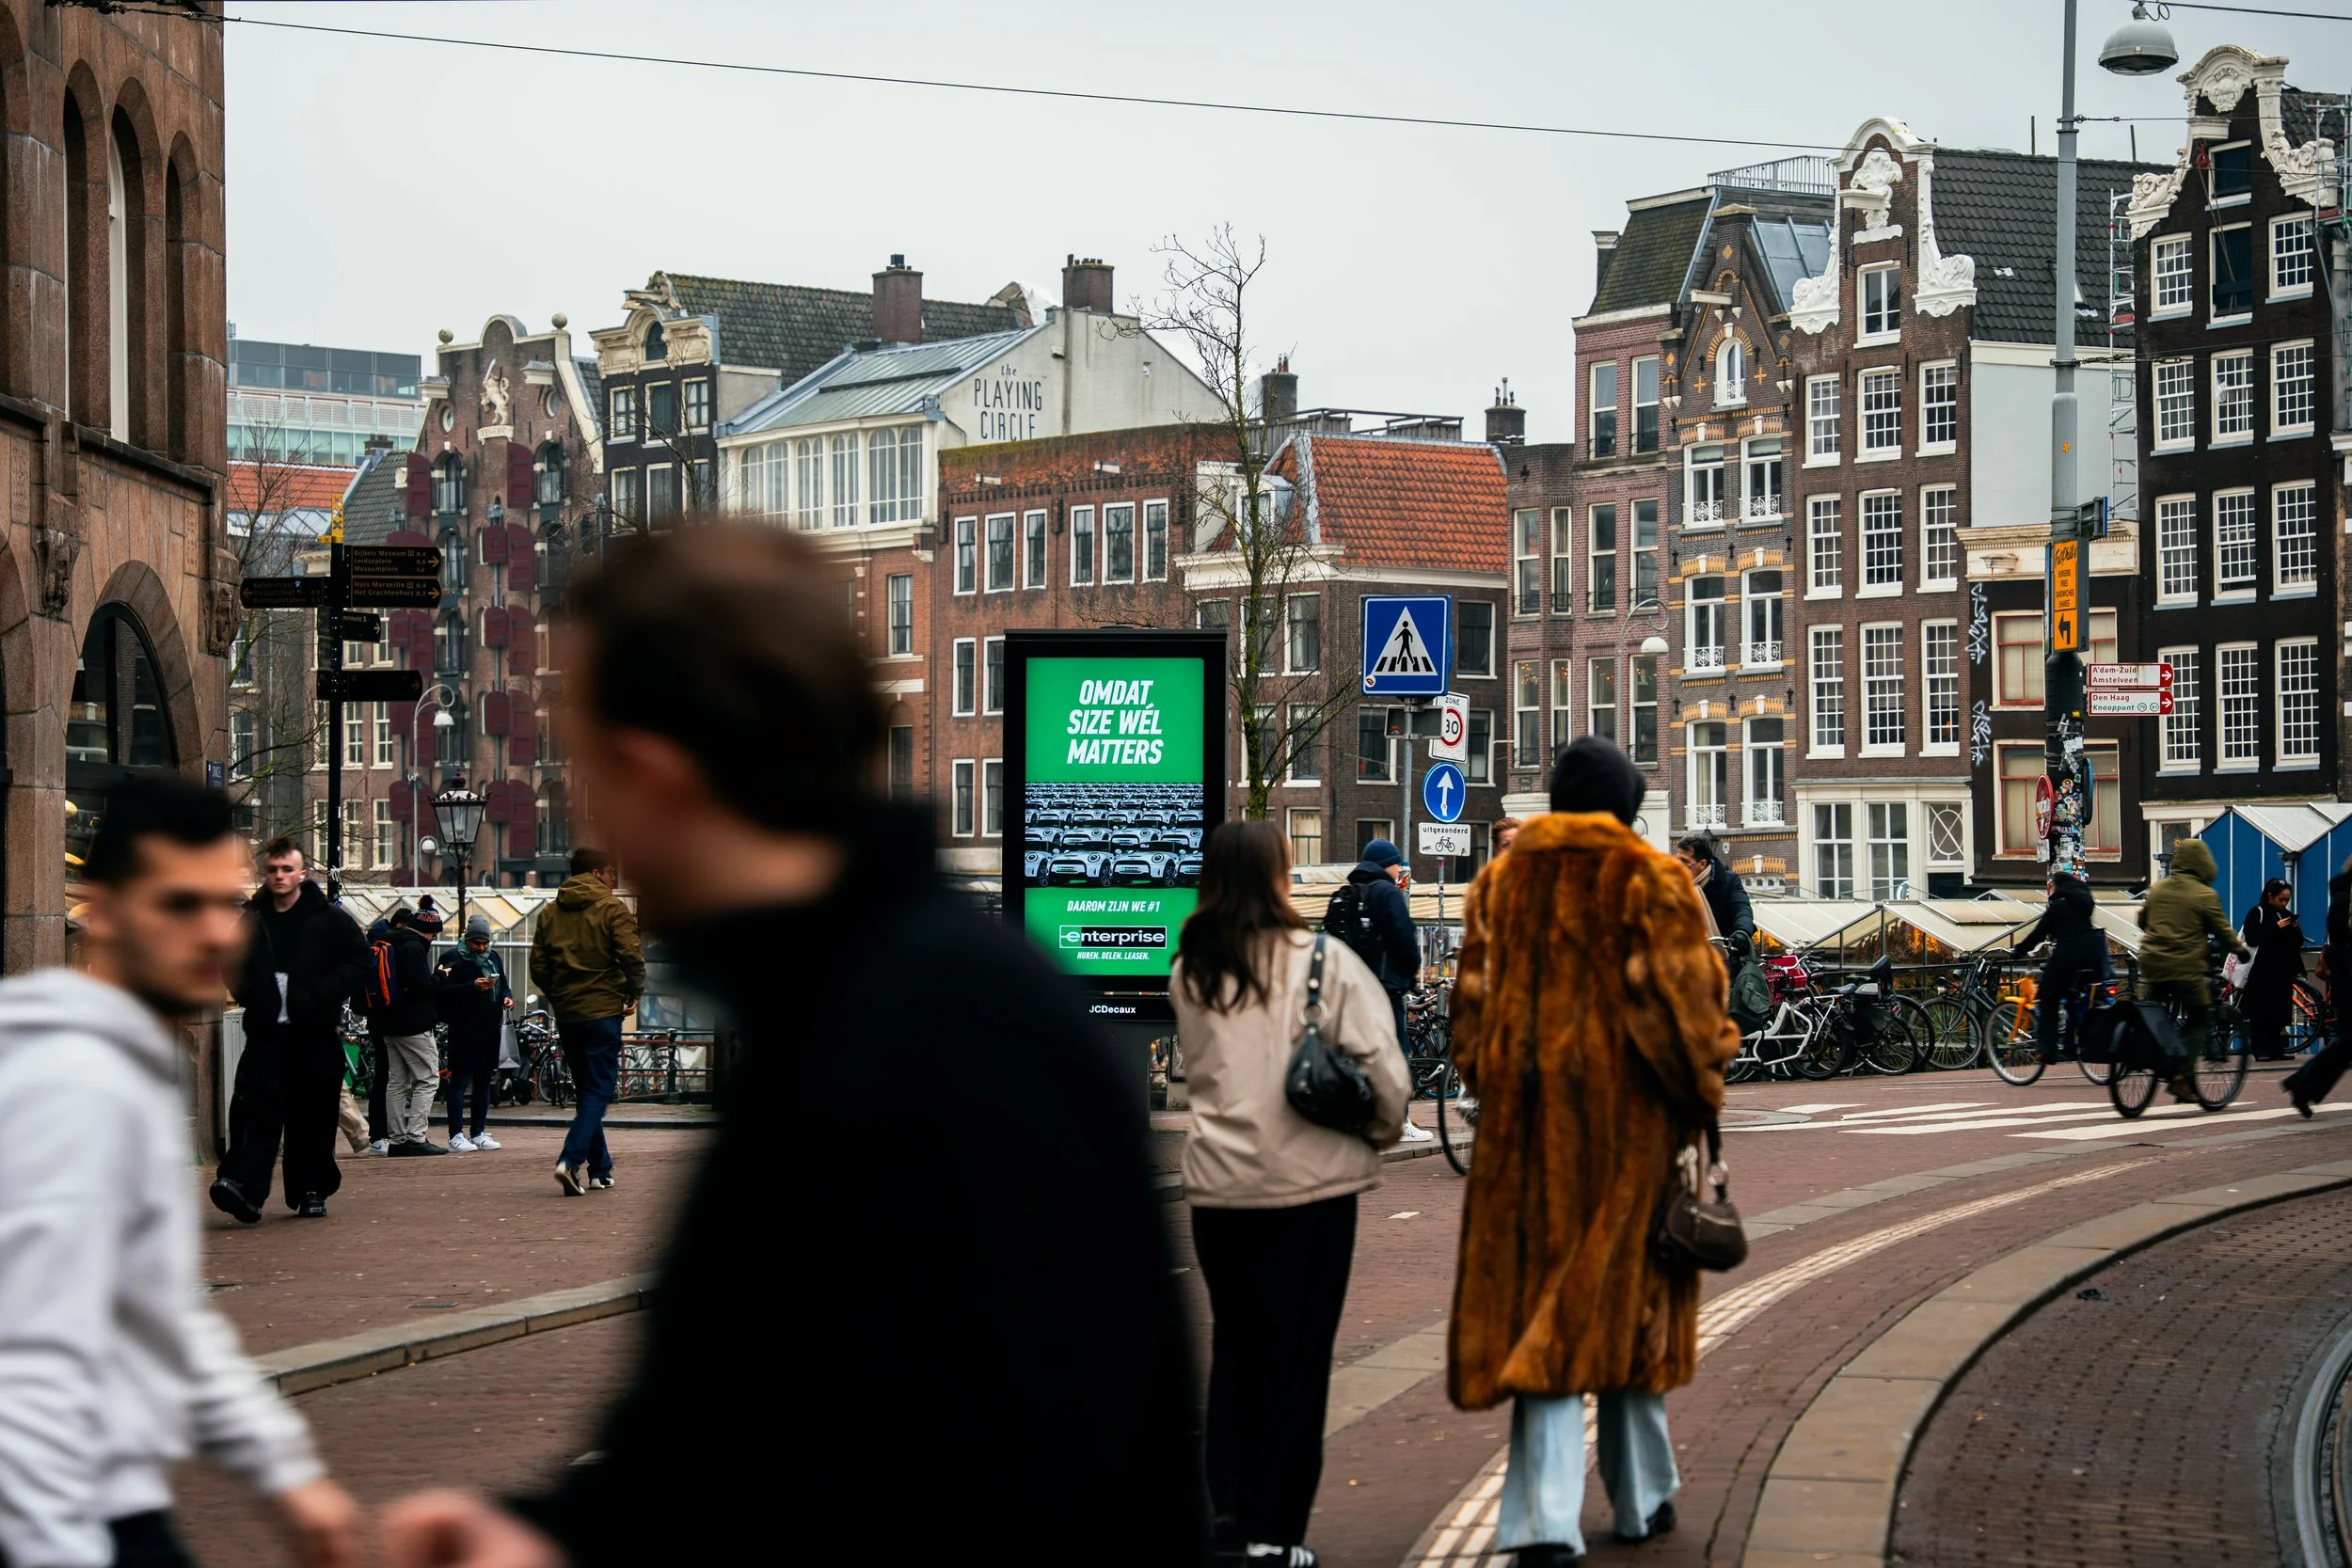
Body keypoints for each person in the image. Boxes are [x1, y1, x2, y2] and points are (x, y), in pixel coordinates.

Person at [383, 522, 1201, 1567]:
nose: (590, 806)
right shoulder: (864, 1003)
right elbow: (754, 1452)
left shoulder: (917, 1045)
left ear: (654, 775)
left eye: (585, 767)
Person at [0, 774, 362, 1568]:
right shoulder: (53, 1077)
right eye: (177, 904)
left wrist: (284, 1472)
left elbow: (153, 1310)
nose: (212, 932)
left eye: (214, 902)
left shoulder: (127, 1070)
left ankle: (294, 1181)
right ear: (103, 906)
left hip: (114, 1500)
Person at [1447, 736, 1740, 1566]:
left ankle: (1543, 1517)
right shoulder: (1653, 882)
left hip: (1523, 1139)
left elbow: (1468, 1028)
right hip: (1627, 1137)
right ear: (1626, 805)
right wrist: (1702, 1083)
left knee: (1542, 1306)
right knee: (1630, 1308)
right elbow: (1683, 1019)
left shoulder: (1500, 884)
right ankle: (1644, 1495)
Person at [1174, 819, 1409, 1568]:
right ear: (1281, 876)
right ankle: (1277, 1530)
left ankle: (1230, 1517)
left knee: (1237, 1352)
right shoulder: (1324, 962)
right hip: (1310, 1189)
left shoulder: (1191, 969)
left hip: (1219, 1192)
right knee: (1298, 1359)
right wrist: (1371, 1133)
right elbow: (1388, 1079)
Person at [212, 838, 367, 1223]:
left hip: (313, 1031)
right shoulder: (252, 917)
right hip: (266, 1030)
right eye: (272, 870)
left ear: (301, 873)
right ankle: (243, 1187)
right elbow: (230, 960)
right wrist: (249, 993)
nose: (279, 877)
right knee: (253, 1109)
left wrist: (324, 992)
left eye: (286, 869)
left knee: (312, 1113)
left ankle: (310, 1189)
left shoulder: (328, 919)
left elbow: (359, 959)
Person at [530, 847, 643, 1195]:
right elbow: (631, 955)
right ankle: (570, 1160)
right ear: (596, 873)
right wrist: (632, 990)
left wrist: (561, 995)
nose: (613, 880)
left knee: (586, 1093)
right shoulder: (611, 909)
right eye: (610, 873)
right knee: (598, 1091)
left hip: (569, 1014)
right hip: (603, 1010)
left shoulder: (550, 913)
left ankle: (600, 1169)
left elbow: (538, 966)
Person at [1327, 838, 1430, 1143]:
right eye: (1397, 863)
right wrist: (1411, 972)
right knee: (1397, 1054)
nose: (1400, 869)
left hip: (1354, 988)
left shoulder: (1348, 893)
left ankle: (1357, 1118)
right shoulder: (1387, 893)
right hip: (1386, 988)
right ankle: (1399, 1121)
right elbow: (1406, 938)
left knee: (1358, 1052)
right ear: (1388, 864)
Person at [2136, 837, 2249, 1101]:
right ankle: (2181, 1077)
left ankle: (2154, 1054)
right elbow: (2223, 931)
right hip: (2185, 967)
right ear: (2204, 864)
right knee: (2199, 1017)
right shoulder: (2205, 894)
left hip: (2151, 962)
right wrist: (2240, 951)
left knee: (2157, 1013)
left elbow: (2143, 921)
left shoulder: (2160, 888)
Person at [369, 909, 447, 1157]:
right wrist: (439, 976)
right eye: (434, 935)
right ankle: (416, 1137)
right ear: (431, 932)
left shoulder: (389, 941)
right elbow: (421, 987)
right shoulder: (413, 948)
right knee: (428, 1078)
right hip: (413, 1024)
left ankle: (397, 1139)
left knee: (397, 1081)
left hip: (387, 1022)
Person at [2007, 872, 2107, 1064]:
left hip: (2067, 958)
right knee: (2073, 1001)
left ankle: (2047, 1051)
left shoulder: (2059, 906)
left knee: (2048, 999)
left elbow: (2039, 933)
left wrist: (2019, 950)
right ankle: (2070, 1047)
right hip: (2091, 959)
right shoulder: (2084, 902)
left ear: (2057, 886)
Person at [435, 916, 512, 1152]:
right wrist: (471, 986)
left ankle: (478, 1131)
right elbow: (440, 990)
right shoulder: (451, 958)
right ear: (467, 939)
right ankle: (455, 1134)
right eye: (476, 943)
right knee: (459, 1080)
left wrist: (506, 997)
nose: (480, 948)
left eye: (484, 943)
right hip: (463, 1027)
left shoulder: (493, 958)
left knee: (483, 1080)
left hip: (490, 1027)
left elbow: (504, 984)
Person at [2286, 854, 2352, 1116]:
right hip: (2348, 976)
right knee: (2347, 1042)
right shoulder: (2345, 901)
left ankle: (2303, 1086)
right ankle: (2301, 1085)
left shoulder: (2339, 897)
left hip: (2343, 976)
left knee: (2347, 1043)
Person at [2237, 878, 2307, 1061]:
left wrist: (2294, 927)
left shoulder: (2285, 914)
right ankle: (2260, 1050)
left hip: (2282, 970)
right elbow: (2252, 938)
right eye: (2281, 899)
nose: (2284, 903)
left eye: (2286, 900)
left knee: (2279, 1010)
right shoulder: (2257, 913)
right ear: (2270, 896)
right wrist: (2275, 928)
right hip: (2262, 970)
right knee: (2261, 1011)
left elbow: (2298, 941)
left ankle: (2277, 1049)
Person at [1675, 833, 1755, 964]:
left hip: (1721, 959)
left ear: (1702, 864)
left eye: (1685, 861)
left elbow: (1742, 909)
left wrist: (1741, 931)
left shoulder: (1728, 881)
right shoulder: (1671, 885)